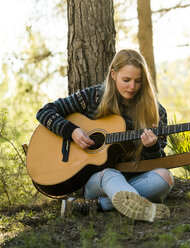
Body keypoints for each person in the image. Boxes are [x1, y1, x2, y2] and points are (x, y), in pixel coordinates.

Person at [36, 49, 173, 222]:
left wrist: (151, 147)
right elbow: (45, 112)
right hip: (98, 180)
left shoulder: (156, 112)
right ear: (113, 74)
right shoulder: (94, 96)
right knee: (110, 174)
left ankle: (95, 205)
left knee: (165, 177)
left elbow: (154, 164)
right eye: (126, 80)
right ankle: (139, 207)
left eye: (138, 81)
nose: (132, 86)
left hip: (132, 177)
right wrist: (72, 131)